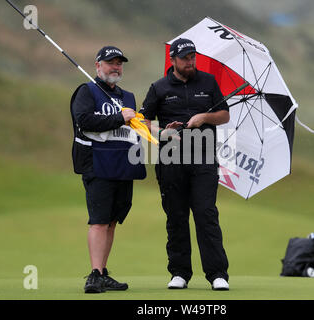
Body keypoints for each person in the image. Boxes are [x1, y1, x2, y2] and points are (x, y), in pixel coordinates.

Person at [140, 38, 230, 290]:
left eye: (193, 57)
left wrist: (204, 117)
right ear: (173, 60)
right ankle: (179, 273)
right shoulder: (159, 88)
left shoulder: (208, 82)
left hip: (203, 158)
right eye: (185, 58)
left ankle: (217, 274)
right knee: (176, 216)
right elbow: (142, 122)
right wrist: (161, 132)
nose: (191, 62)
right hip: (171, 160)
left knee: (205, 214)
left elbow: (224, 114)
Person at [70, 45, 146, 293]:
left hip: (122, 164)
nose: (116, 67)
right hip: (96, 163)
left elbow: (134, 129)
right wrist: (119, 118)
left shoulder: (128, 98)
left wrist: (162, 132)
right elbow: (84, 121)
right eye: (111, 62)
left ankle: (102, 272)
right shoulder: (87, 91)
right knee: (100, 221)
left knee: (112, 221)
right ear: (98, 65)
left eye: (119, 63)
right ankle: (93, 274)